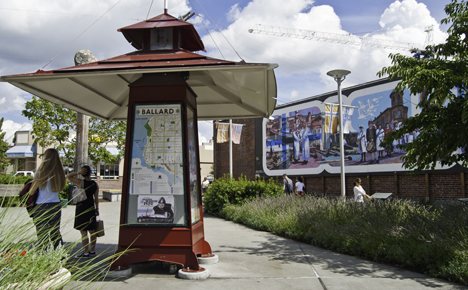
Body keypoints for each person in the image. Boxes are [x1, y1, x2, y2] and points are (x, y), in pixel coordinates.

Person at [29, 148, 66, 250]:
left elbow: (31, 191)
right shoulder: (60, 173)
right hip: (55, 205)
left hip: (41, 205)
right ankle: (60, 257)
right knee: (55, 233)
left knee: (42, 234)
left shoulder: (41, 173)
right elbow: (61, 189)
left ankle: (44, 257)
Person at [66, 166, 99, 258]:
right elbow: (96, 198)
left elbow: (68, 177)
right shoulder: (94, 184)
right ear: (90, 173)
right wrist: (97, 209)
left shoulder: (80, 182)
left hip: (81, 207)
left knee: (83, 232)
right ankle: (92, 250)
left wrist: (78, 172)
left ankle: (85, 252)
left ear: (83, 173)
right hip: (91, 207)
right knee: (92, 231)